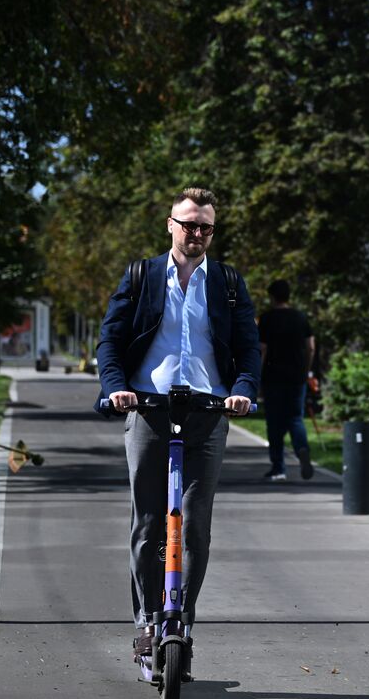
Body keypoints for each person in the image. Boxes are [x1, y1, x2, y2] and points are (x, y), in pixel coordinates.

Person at [96, 187, 259, 668]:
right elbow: (111, 338)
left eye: (206, 226)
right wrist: (116, 386)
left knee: (195, 529)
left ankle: (181, 623)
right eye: (189, 224)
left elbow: (248, 348)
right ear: (170, 224)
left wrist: (244, 388)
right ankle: (149, 624)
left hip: (208, 413)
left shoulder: (228, 283)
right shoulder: (142, 276)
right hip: (148, 408)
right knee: (149, 525)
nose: (197, 234)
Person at [258, 279, 316, 481]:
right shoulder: (300, 318)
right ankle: (302, 449)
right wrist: (306, 370)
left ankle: (278, 467)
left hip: (273, 376)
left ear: (272, 296)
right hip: (296, 377)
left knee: (274, 422)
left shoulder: (266, 319)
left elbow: (263, 349)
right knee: (295, 418)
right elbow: (310, 347)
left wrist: (257, 377)